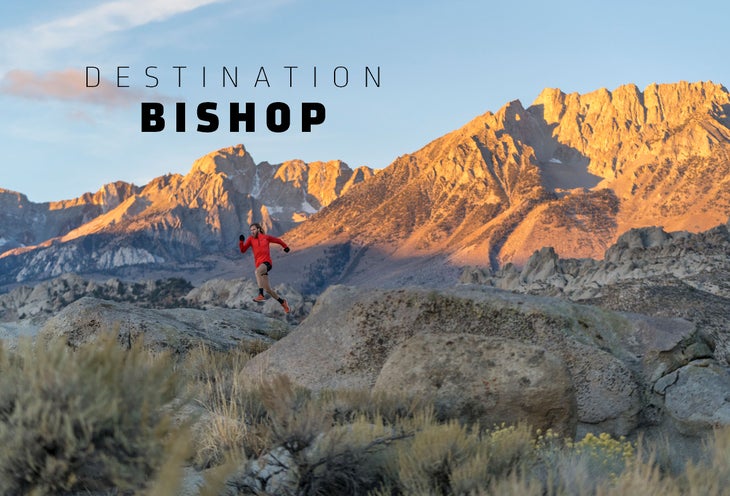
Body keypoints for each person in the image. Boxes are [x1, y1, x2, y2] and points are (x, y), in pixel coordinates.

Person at [239, 223, 291, 313]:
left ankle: (260, 295)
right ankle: (283, 303)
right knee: (268, 289)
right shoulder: (250, 239)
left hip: (267, 263)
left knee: (257, 272)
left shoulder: (266, 237)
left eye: (254, 229)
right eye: (251, 230)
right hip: (259, 265)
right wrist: (241, 242)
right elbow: (243, 250)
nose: (252, 232)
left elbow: (278, 240)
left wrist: (285, 247)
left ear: (258, 229)